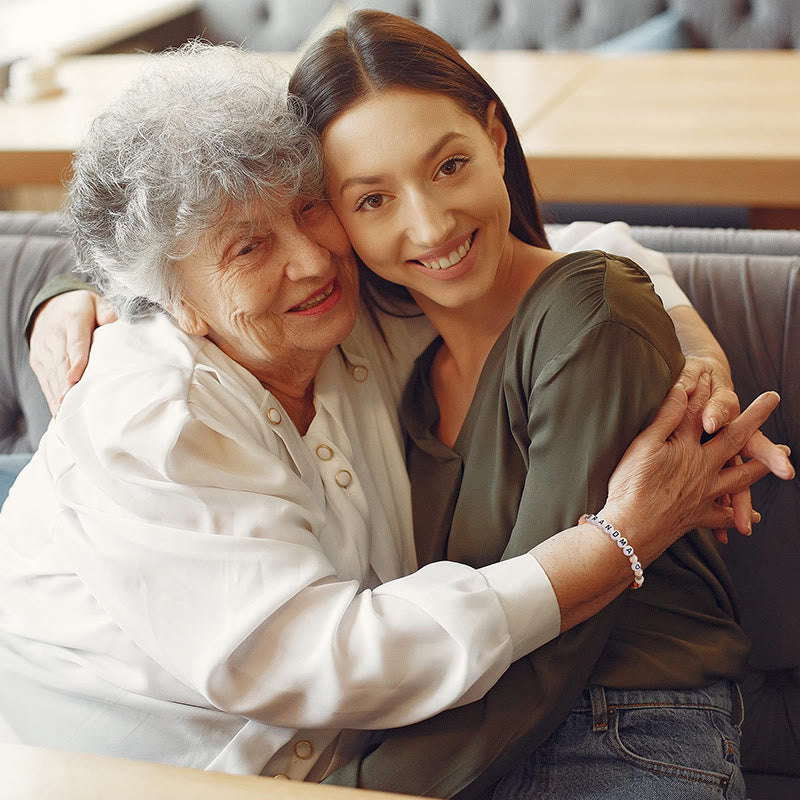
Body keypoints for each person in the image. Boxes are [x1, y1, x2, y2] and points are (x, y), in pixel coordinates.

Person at [15, 41, 789, 793]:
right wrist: (623, 538)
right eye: (251, 247)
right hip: (118, 770)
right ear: (169, 301)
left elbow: (575, 262)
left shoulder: (357, 317)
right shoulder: (152, 410)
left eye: (311, 208)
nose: (312, 260)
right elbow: (326, 658)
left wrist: (696, 362)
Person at [280, 11, 794, 799]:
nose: (430, 223)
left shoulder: (589, 304)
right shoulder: (400, 375)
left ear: (494, 137)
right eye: (373, 200)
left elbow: (559, 634)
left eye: (449, 165)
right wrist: (67, 295)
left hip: (628, 730)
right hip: (474, 730)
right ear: (332, 219)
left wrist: (349, 787)